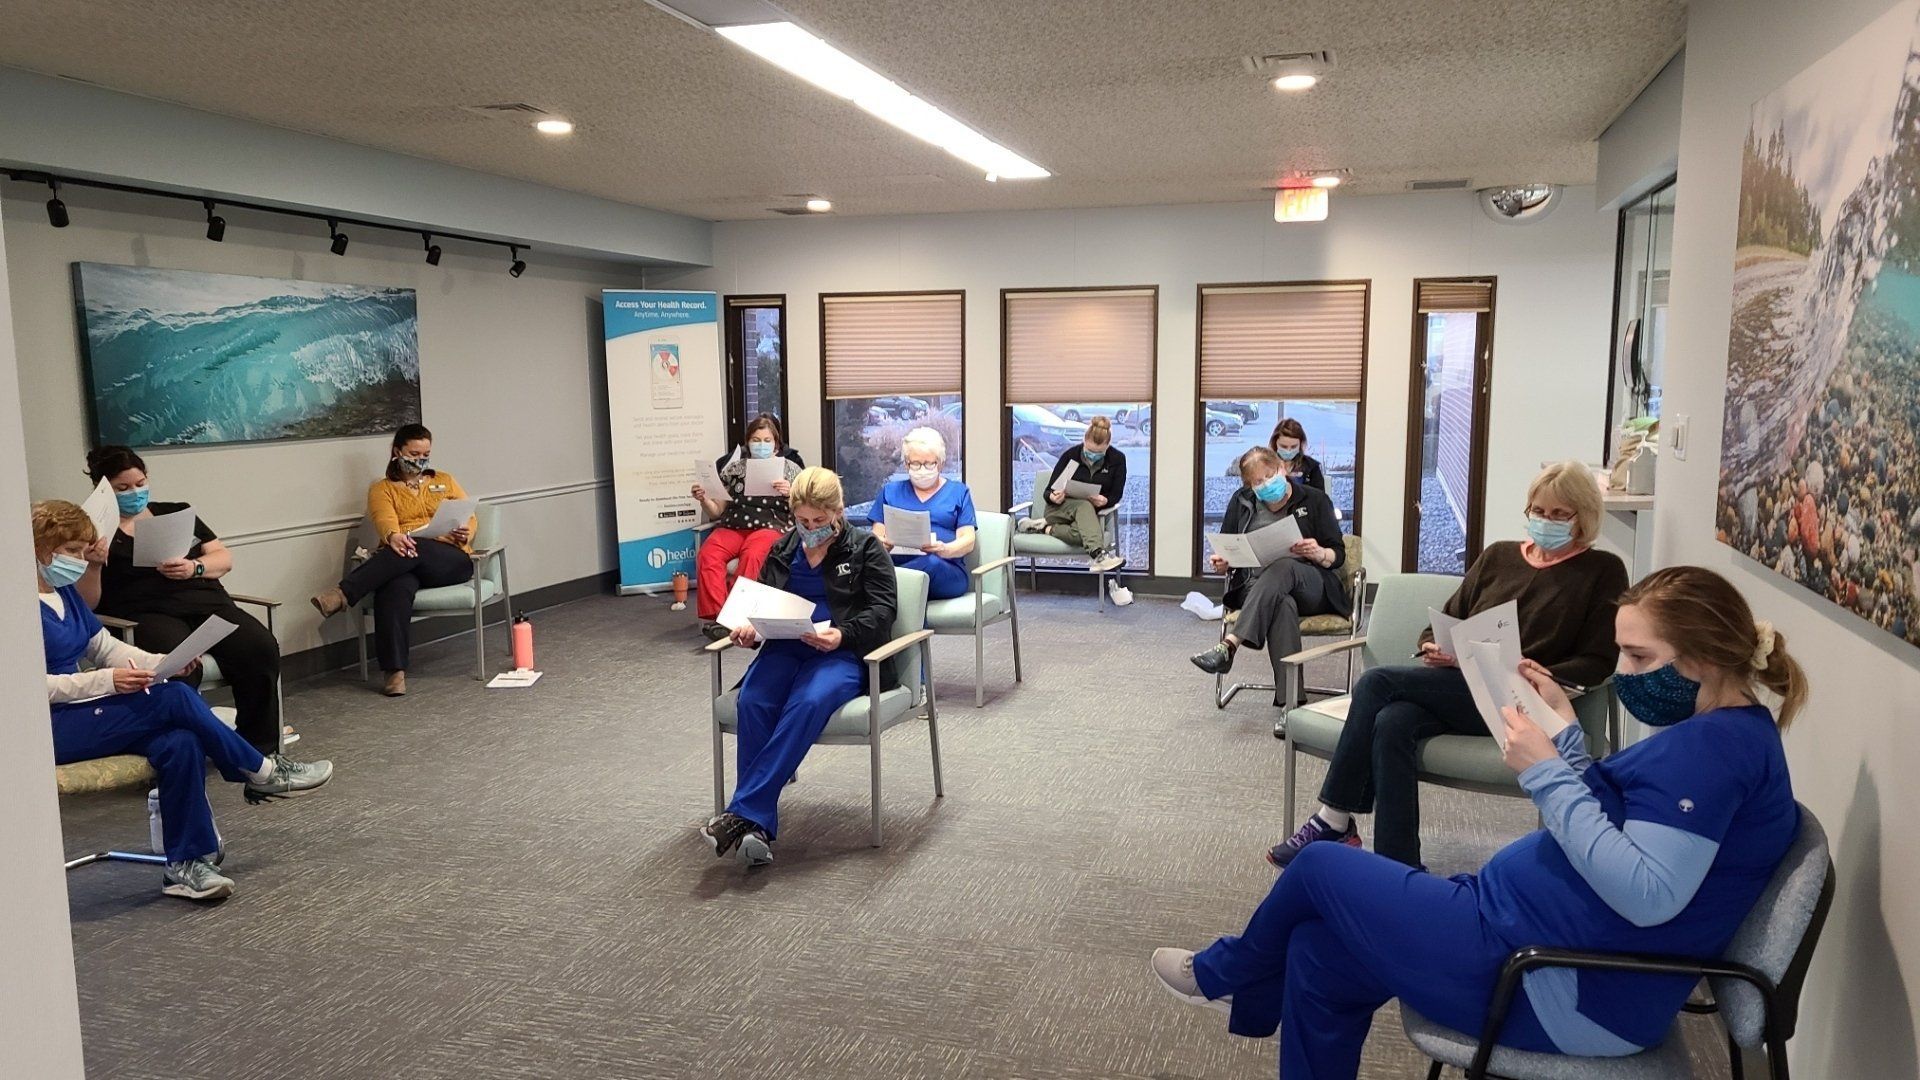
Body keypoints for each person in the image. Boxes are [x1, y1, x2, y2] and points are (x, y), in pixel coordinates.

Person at [1150, 565, 1805, 1078]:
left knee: (1320, 864)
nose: (1623, 675)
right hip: (1526, 932)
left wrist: (1546, 770)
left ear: (1708, 658)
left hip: (1549, 980)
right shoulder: (1722, 731)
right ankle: (1247, 982)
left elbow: (1649, 893)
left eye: (1638, 658)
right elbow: (1626, 821)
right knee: (1320, 958)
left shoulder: (1717, 754)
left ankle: (1225, 974)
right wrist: (1566, 735)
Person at [1268, 461, 1628, 870]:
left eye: (1559, 515)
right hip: (1462, 683)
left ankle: (1333, 819)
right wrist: (1435, 647)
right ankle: (1397, 867)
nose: (1545, 522)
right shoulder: (1499, 557)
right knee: (1392, 721)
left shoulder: (1603, 571)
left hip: (1524, 700)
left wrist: (1542, 672)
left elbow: (1600, 660)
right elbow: (1440, 624)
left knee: (1375, 684)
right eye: (1538, 512)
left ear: (1584, 517)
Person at [35, 500, 333, 902]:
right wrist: (108, 681)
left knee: (181, 742)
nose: (80, 558)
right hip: (47, 727)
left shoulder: (64, 593)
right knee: (174, 697)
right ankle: (259, 769)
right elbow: (31, 687)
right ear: (41, 549)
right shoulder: (16, 606)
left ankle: (185, 865)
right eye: (72, 551)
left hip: (86, 713)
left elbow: (104, 647)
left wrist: (162, 663)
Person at [702, 468, 898, 867]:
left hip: (840, 652)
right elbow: (759, 604)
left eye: (820, 522)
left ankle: (742, 813)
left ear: (838, 512)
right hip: (786, 646)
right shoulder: (782, 549)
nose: (811, 529)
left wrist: (842, 634)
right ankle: (756, 825)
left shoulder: (865, 548)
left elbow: (883, 611)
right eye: (803, 521)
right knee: (753, 701)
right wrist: (748, 629)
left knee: (808, 702)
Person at [79, 445, 291, 754]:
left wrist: (195, 567)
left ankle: (258, 747)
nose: (134, 493)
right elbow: (89, 603)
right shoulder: (94, 532)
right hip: (145, 613)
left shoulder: (175, 512)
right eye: (122, 488)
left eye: (140, 484)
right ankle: (187, 748)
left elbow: (224, 558)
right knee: (179, 666)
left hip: (205, 602)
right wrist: (95, 563)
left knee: (260, 648)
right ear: (103, 490)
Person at [309, 424, 476, 697]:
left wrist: (465, 531)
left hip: (450, 561)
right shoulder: (382, 489)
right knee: (395, 586)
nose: (420, 460)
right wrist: (393, 536)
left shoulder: (444, 480)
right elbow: (385, 520)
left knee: (412, 545)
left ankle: (342, 593)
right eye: (414, 453)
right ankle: (394, 672)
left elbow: (469, 514)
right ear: (397, 452)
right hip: (404, 557)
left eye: (426, 454)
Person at [1189, 447, 1350, 705]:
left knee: (1284, 566)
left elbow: (1338, 554)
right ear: (1249, 485)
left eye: (1269, 475)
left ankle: (1230, 644)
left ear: (1282, 469)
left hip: (1311, 585)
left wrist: (1319, 552)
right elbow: (1229, 546)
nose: (1265, 484)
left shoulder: (1315, 500)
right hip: (1258, 588)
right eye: (1257, 481)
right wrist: (1223, 563)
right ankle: (1291, 704)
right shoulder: (1241, 501)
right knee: (1283, 605)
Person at [693, 415, 803, 639]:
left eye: (766, 440)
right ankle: (718, 617)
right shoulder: (734, 468)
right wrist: (704, 499)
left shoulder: (791, 469)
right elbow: (717, 511)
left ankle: (737, 617)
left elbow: (806, 508)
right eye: (755, 439)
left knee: (753, 555)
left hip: (771, 526)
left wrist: (791, 492)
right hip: (734, 525)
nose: (760, 444)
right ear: (747, 442)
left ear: (776, 443)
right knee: (708, 553)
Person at [867, 427, 976, 601]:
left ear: (940, 463)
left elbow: (968, 541)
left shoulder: (958, 492)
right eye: (915, 464)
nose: (922, 469)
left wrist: (944, 549)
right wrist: (883, 544)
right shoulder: (890, 492)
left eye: (929, 463)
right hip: (896, 564)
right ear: (906, 464)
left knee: (929, 564)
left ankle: (890, 588)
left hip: (944, 569)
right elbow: (875, 538)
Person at [1017, 415, 1126, 573]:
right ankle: (1099, 555)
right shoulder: (1071, 456)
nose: (1093, 456)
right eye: (1089, 451)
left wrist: (1105, 501)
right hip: (1058, 510)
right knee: (1084, 505)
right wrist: (1053, 496)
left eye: (1099, 453)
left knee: (1081, 531)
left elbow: (1116, 495)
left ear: (1107, 445)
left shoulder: (1117, 460)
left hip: (1087, 516)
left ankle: (1044, 528)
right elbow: (1048, 491)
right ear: (1084, 441)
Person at [1270, 417, 1328, 494]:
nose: (1288, 451)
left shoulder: (1312, 467)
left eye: (1293, 447)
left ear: (1300, 445)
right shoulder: (1265, 464)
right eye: (1284, 446)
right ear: (1275, 444)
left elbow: (1320, 499)